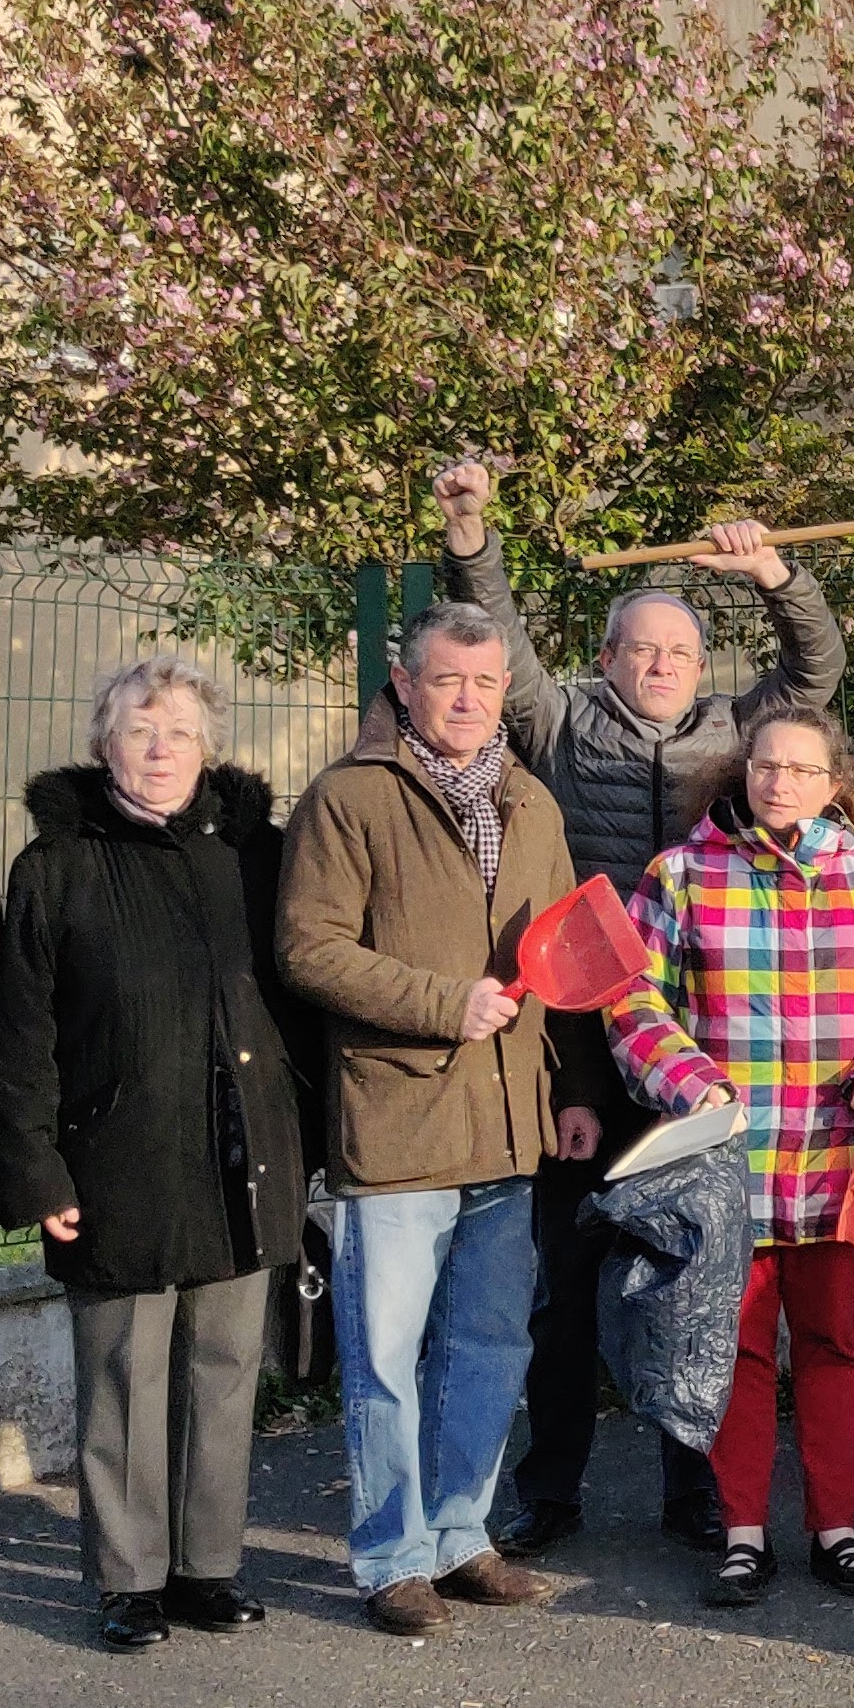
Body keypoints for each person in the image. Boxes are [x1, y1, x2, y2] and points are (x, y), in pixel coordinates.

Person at [430, 459, 847, 1559]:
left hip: (697, 1064)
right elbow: (497, 637)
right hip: (579, 1052)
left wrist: (775, 575)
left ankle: (698, 1494)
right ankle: (551, 1492)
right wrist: (472, 534)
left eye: (679, 651)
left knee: (697, 1282)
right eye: (640, 649)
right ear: (607, 658)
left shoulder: (738, 731)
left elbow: (818, 668)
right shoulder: (561, 726)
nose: (660, 665)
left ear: (703, 666)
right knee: (562, 1288)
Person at [0, 658, 314, 1654]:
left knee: (222, 1366)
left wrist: (309, 1137)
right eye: (137, 729)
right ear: (102, 744)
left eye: (177, 730)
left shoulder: (257, 855)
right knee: (125, 1373)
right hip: (113, 1161)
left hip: (241, 1156)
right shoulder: (56, 865)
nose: (159, 748)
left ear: (208, 746)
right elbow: (20, 1035)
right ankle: (129, 1579)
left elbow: (301, 998)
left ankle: (207, 1567)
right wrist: (34, 1169)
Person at [279, 598, 585, 1638]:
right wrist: (438, 1001)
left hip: (510, 1123)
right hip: (400, 1120)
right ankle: (390, 1555)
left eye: (486, 681)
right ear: (405, 685)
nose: (467, 698)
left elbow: (564, 960)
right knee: (386, 1358)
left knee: (491, 1346)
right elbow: (309, 949)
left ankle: (461, 1535)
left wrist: (570, 1094)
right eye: (447, 679)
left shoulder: (533, 804)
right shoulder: (351, 798)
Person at [605, 710, 854, 1602]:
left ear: (833, 783)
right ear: (742, 770)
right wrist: (691, 1084)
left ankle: (837, 1528)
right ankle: (743, 1532)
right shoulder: (680, 875)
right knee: (737, 1350)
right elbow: (633, 1004)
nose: (782, 784)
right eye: (768, 767)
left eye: (803, 771)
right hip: (729, 1167)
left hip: (842, 1160)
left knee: (835, 1346)